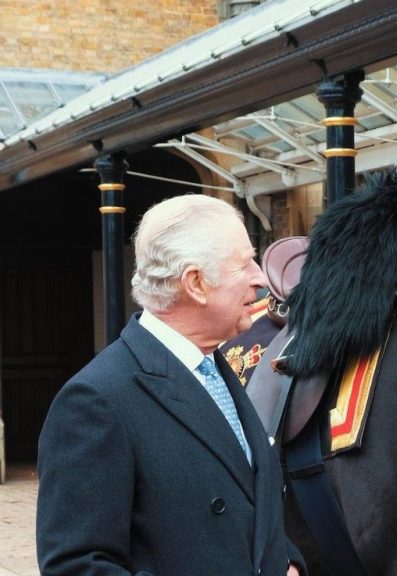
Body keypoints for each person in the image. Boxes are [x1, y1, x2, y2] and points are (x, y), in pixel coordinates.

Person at [36, 194, 305, 576]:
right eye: (244, 264)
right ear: (195, 283)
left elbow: (247, 503)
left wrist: (287, 562)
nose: (261, 278)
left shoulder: (218, 369)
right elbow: (76, 566)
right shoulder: (95, 402)